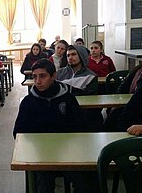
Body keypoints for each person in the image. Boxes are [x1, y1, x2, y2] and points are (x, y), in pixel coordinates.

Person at [13, 58, 98, 193]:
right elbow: (18, 132)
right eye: (34, 77)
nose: (38, 81)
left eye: (43, 76)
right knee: (43, 185)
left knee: (86, 183)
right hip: (40, 154)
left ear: (54, 76)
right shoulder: (28, 102)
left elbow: (80, 126)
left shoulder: (67, 98)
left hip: (68, 151)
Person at [57, 45, 102, 131]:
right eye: (68, 55)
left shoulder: (91, 76)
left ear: (81, 56)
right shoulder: (60, 73)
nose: (70, 57)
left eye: (73, 54)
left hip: (82, 113)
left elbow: (90, 101)